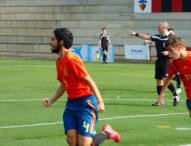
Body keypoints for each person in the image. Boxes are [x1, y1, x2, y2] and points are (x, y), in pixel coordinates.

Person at [42, 28, 120, 146]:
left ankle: (107, 133)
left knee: (85, 144)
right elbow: (64, 84)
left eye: (53, 39)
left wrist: (100, 102)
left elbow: (90, 81)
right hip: (71, 105)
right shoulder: (59, 61)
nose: (50, 42)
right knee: (71, 140)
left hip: (86, 104)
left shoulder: (72, 60)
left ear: (61, 42)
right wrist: (52, 100)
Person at [130, 21, 179, 106]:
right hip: (159, 60)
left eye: (159, 27)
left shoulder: (172, 37)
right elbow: (146, 36)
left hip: (168, 60)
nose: (157, 28)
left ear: (164, 27)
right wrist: (136, 34)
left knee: (165, 79)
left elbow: (178, 49)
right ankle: (160, 101)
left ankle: (175, 95)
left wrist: (168, 52)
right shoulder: (158, 37)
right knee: (159, 81)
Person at [157, 36, 191, 118]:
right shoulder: (173, 63)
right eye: (167, 51)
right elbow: (169, 78)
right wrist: (161, 94)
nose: (169, 53)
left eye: (171, 50)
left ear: (178, 48)